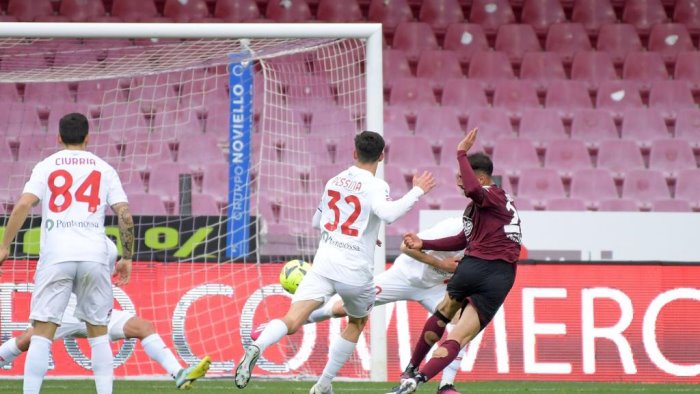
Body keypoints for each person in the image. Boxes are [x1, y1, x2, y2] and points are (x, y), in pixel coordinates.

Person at [234, 131, 436, 394]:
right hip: (354, 271)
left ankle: (257, 347)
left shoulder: (334, 181)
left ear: (354, 153)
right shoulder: (377, 186)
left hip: (323, 264)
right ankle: (323, 384)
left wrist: (365, 232)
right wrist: (417, 190)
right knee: (357, 322)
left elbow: (317, 222)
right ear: (382, 156)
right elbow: (388, 215)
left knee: (292, 320)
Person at [252, 216, 468, 394]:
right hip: (403, 278)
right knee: (341, 309)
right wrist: (442, 265)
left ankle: (446, 386)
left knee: (464, 324)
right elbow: (406, 247)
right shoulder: (452, 227)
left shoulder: (487, 239)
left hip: (436, 288)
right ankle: (277, 327)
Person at [0, 112, 132, 394]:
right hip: (94, 256)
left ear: (58, 137)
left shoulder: (46, 166)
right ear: (88, 137)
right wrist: (128, 256)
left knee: (42, 334)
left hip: (56, 255)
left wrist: (5, 244)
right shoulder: (104, 168)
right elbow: (124, 213)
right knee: (98, 334)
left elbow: (23, 204)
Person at [390, 128, 522, 394]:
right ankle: (415, 379)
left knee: (443, 311)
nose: (460, 183)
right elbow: (463, 239)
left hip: (475, 267)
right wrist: (424, 244)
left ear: (481, 177)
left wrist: (461, 151)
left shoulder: (489, 194)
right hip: (498, 275)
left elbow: (473, 187)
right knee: (458, 336)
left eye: (462, 177)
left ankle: (411, 370)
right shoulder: (487, 205)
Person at [0, 240, 211, 390]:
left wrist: (120, 266)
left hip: (89, 311)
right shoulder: (89, 245)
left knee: (143, 327)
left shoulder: (102, 246)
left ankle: (178, 373)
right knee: (28, 339)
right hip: (74, 310)